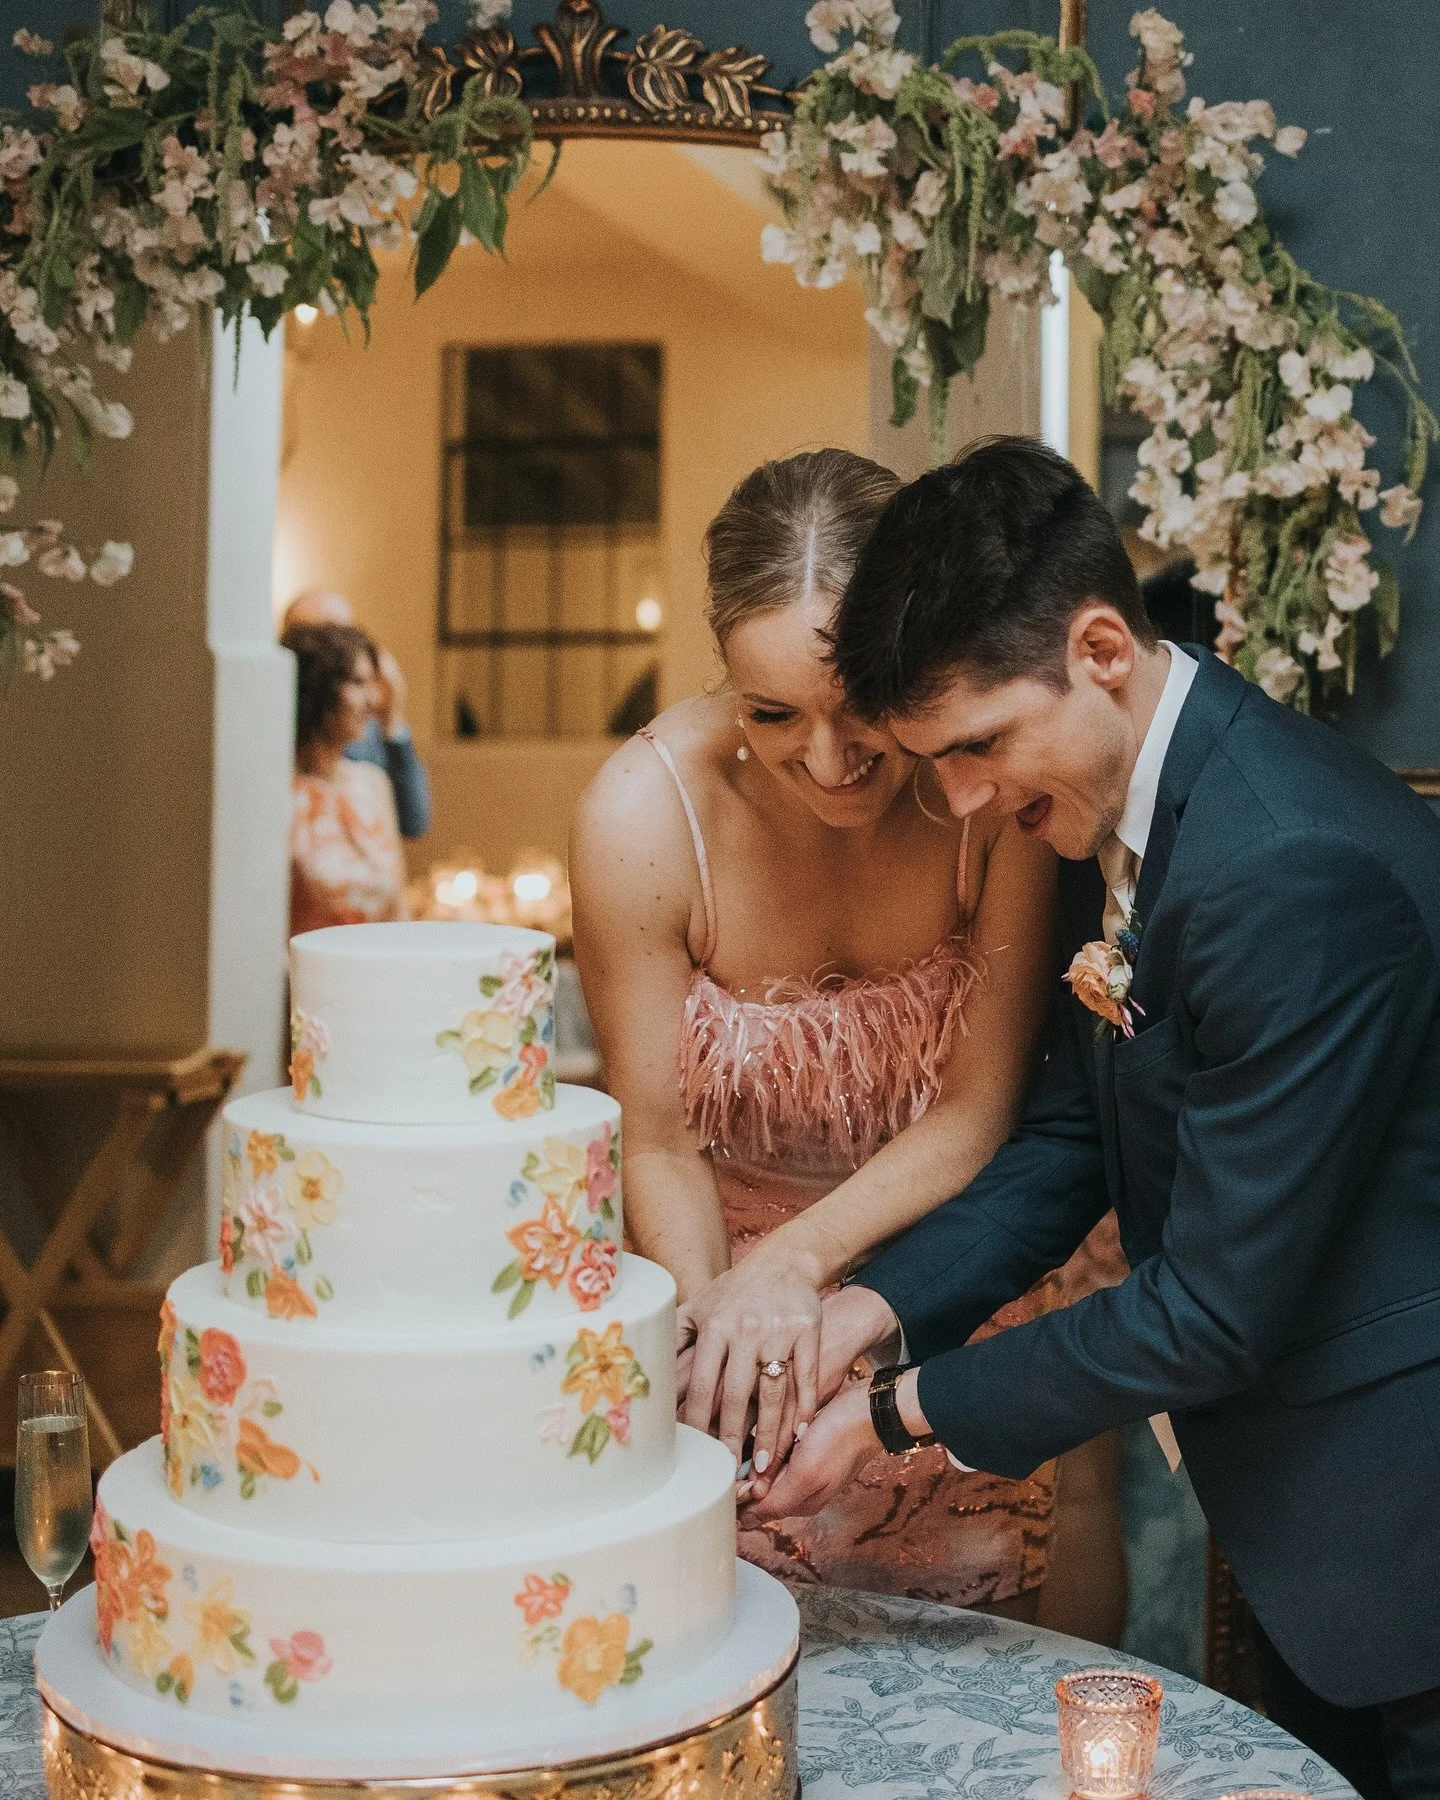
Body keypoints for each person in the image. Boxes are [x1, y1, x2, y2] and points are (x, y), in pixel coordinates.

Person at [749, 437, 1440, 1800]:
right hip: (1316, 1528)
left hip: (1408, 1535)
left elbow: (1211, 1311)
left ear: (1105, 649)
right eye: (932, 763)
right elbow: (1073, 1140)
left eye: (978, 748)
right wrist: (870, 1310)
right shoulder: (1116, 809)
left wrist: (900, 1412)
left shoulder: (1284, 867)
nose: (966, 803)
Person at [571, 449, 1126, 1617]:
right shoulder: (641, 812)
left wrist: (801, 1269)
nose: (829, 761)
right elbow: (658, 1142)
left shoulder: (989, 796)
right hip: (720, 1289)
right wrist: (724, 1345)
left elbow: (979, 1113)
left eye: (861, 706)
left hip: (960, 1263)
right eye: (772, 714)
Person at [283, 621, 407, 935]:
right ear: (320, 689)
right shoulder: (281, 793)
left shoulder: (374, 784)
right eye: (358, 683)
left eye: (373, 685)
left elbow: (399, 908)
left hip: (378, 969)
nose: (373, 701)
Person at [283, 587, 431, 839]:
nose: (336, 651)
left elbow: (413, 821)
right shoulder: (272, 735)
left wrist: (393, 721)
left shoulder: (365, 729)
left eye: (346, 635)